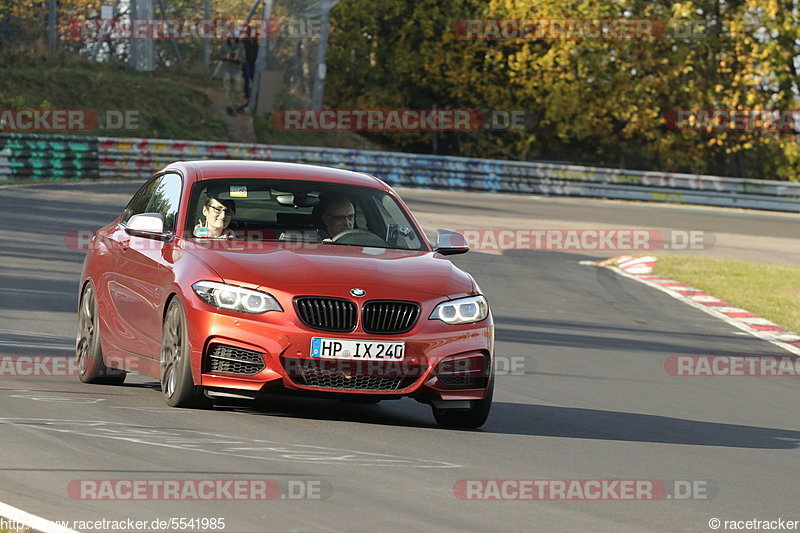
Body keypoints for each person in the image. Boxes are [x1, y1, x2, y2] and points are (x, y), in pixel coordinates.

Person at [219, 36, 245, 116]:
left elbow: (243, 58)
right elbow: (219, 56)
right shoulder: (224, 44)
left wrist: (237, 59)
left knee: (238, 89)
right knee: (227, 89)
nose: (232, 38)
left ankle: (239, 106)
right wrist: (225, 57)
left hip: (236, 70)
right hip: (226, 69)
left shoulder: (240, 45)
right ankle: (229, 107)